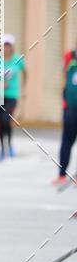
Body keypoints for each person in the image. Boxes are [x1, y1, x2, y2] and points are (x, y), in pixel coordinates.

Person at [0, 34, 26, 162]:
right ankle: (3, 148)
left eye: (7, 45)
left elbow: (25, 72)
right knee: (0, 123)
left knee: (6, 119)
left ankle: (10, 144)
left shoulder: (17, 59)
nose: (5, 48)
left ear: (11, 46)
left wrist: (24, 88)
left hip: (12, 95)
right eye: (3, 45)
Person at [53, 43, 77, 187]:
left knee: (66, 141)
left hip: (69, 107)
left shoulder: (70, 55)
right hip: (70, 107)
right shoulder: (69, 55)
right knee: (66, 141)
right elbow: (64, 75)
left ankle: (63, 176)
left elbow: (64, 75)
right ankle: (62, 174)